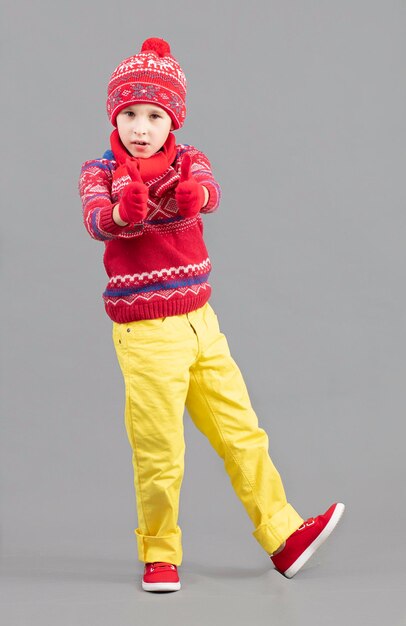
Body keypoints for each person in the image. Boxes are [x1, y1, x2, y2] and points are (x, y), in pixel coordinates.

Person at [78, 37, 345, 593]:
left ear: (172, 117)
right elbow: (98, 221)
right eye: (130, 113)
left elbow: (210, 193)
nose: (141, 126)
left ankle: (283, 535)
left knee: (243, 432)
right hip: (147, 332)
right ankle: (159, 555)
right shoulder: (99, 170)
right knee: (160, 452)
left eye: (154, 114)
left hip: (202, 321)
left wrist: (194, 195)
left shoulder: (189, 160)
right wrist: (125, 212)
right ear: (115, 115)